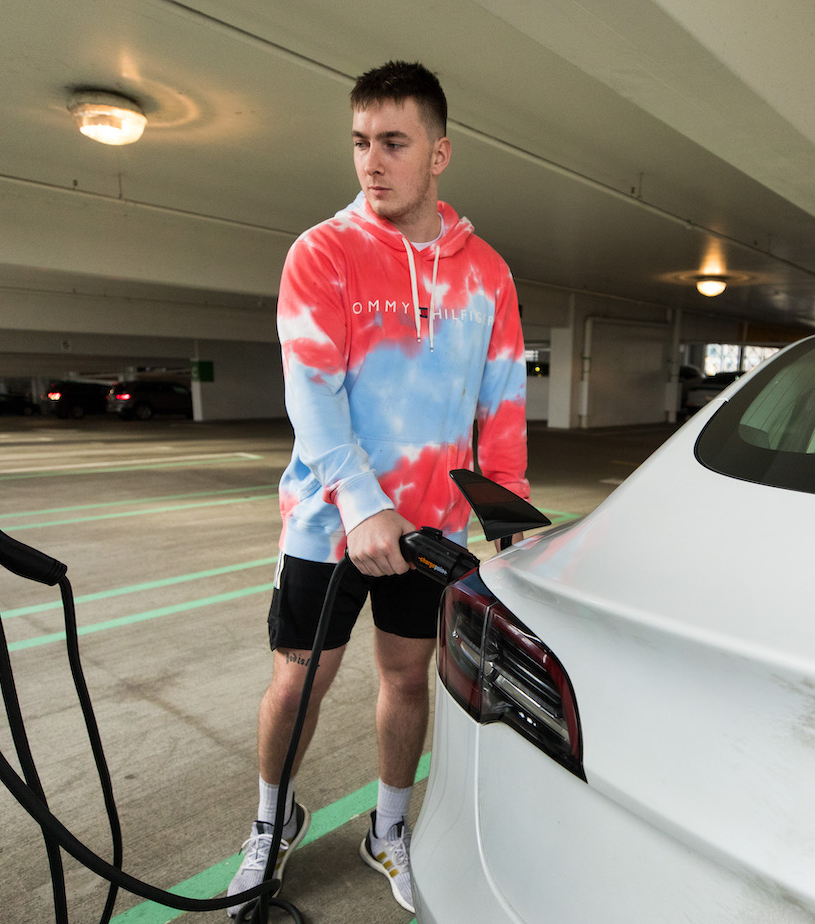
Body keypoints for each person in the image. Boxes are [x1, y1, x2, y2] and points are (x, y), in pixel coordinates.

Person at [226, 60, 528, 918]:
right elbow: (311, 397)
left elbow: (501, 398)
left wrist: (506, 513)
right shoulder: (323, 253)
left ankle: (387, 829)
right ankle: (270, 821)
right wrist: (362, 505)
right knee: (298, 681)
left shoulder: (488, 274)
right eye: (360, 142)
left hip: (432, 526)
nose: (372, 161)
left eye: (393, 143)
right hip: (329, 524)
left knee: (408, 678)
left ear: (439, 154)